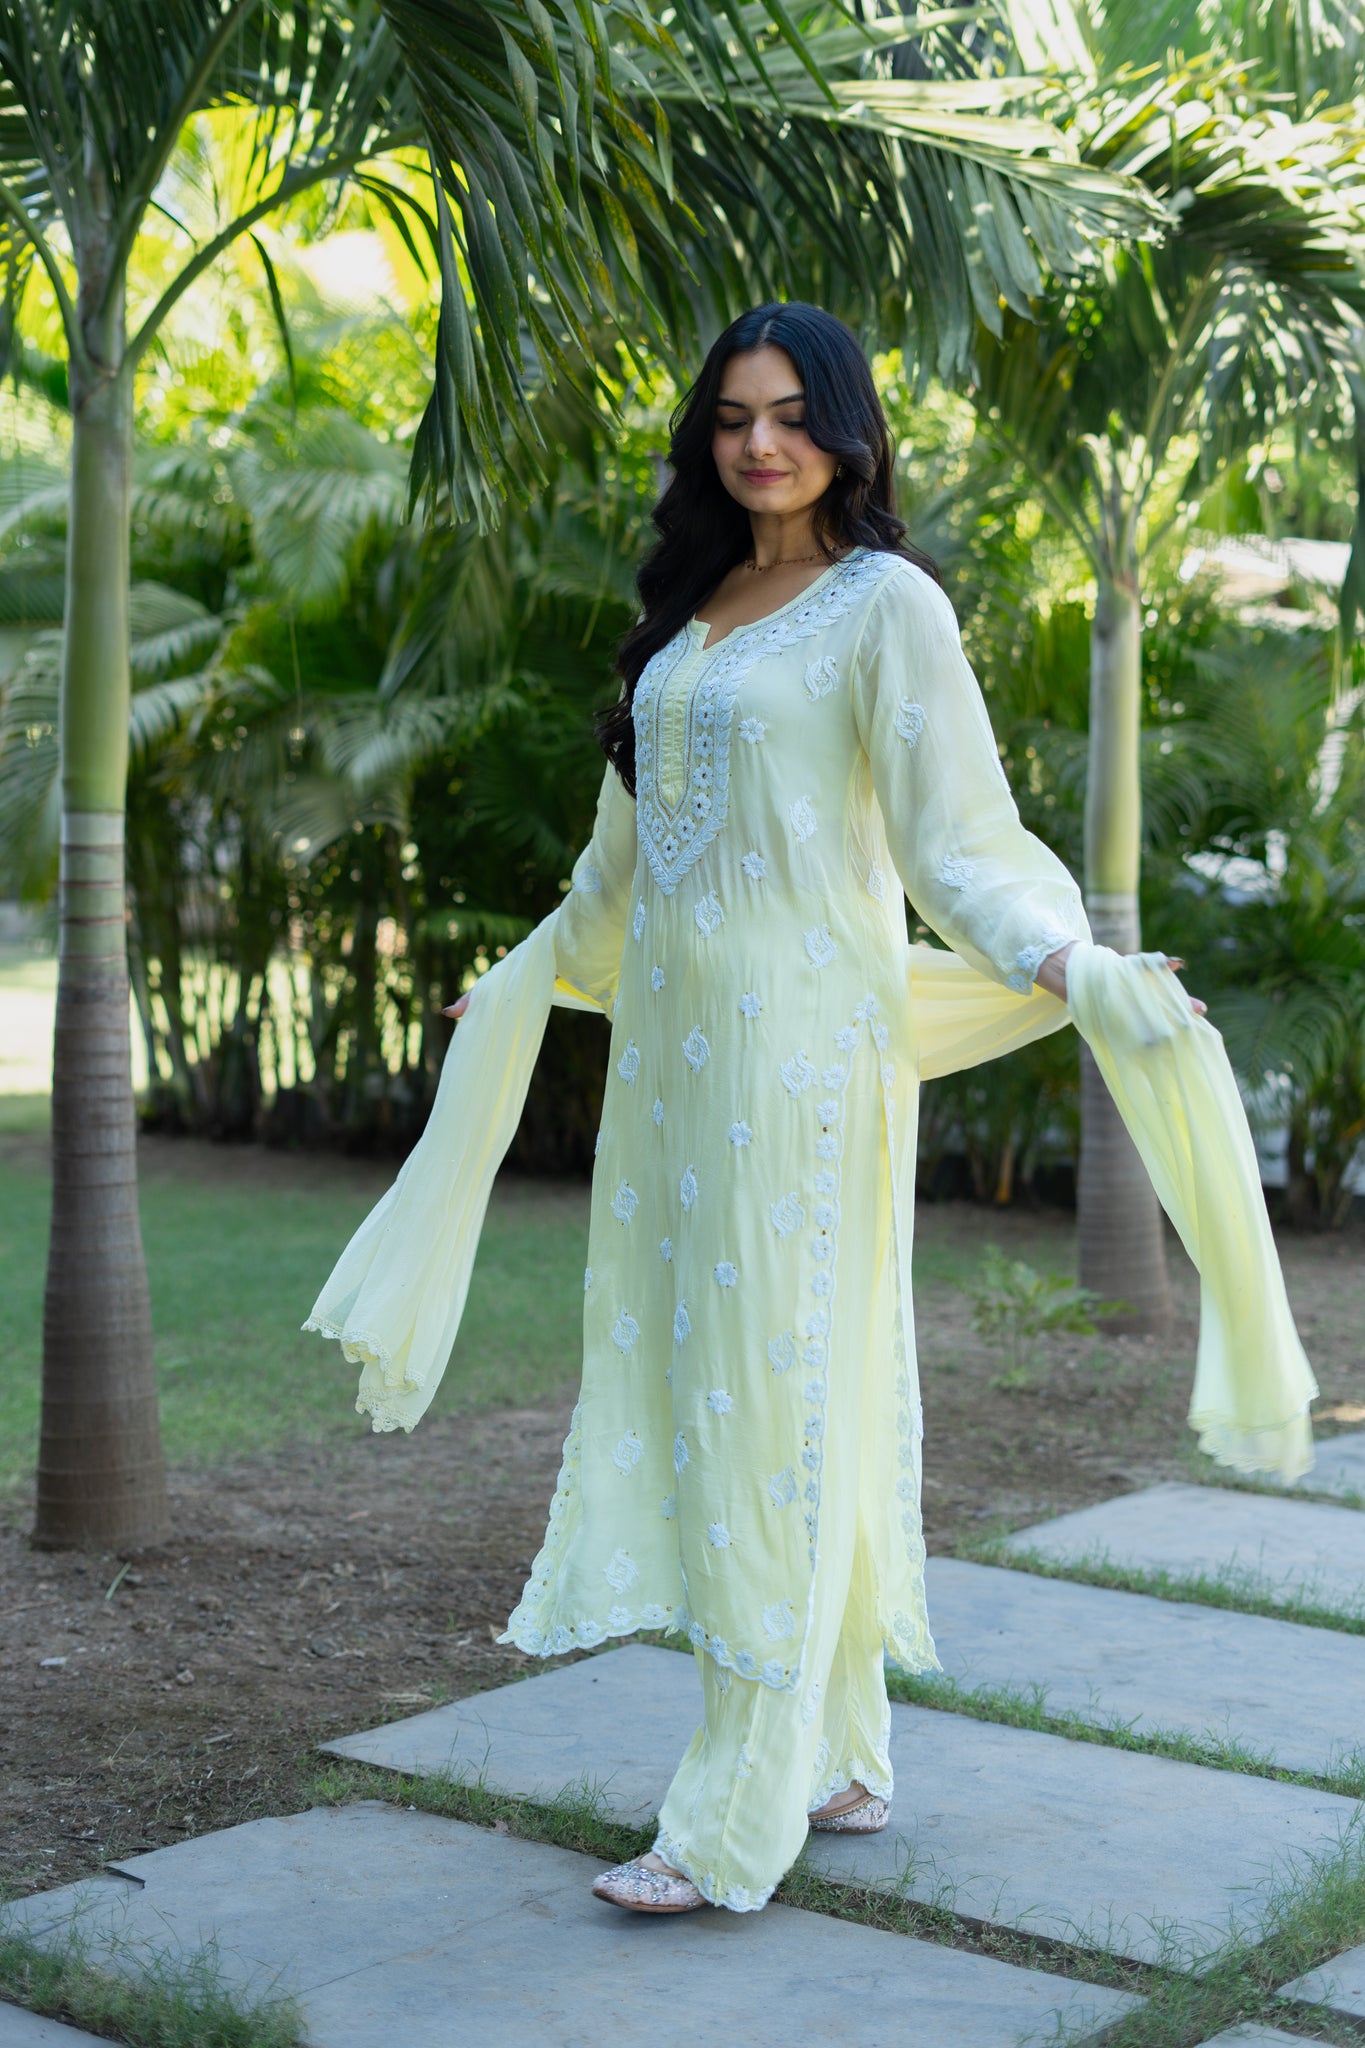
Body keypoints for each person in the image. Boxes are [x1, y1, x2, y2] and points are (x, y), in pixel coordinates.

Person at [308, 301, 1314, 1921]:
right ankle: (841, 1750)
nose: (758, 443)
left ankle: (731, 1809)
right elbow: (618, 875)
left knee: (762, 1407)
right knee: (753, 1394)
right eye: (730, 418)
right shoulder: (685, 617)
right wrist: (521, 981)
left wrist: (1064, 959)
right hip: (670, 1086)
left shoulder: (883, 606)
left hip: (800, 1078)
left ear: (845, 431)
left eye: (787, 414)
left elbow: (953, 840)